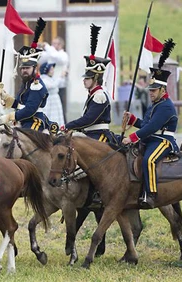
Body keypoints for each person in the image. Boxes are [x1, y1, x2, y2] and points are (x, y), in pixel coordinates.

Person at [122, 39, 178, 209]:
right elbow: (146, 124)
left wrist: (132, 137)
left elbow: (152, 128)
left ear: (162, 90)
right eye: (150, 90)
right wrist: (133, 119)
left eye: (153, 91)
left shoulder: (167, 107)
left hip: (163, 142)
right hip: (150, 139)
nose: (151, 93)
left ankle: (151, 194)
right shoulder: (155, 105)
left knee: (148, 160)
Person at [62, 24, 114, 206]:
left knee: (91, 165)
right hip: (90, 133)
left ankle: (97, 194)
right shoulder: (93, 93)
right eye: (85, 77)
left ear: (96, 78)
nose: (84, 80)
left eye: (87, 78)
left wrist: (69, 125)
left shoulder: (99, 95)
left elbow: (89, 119)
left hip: (98, 135)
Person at [0, 18, 50, 132]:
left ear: (35, 68)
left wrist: (9, 117)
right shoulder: (27, 83)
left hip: (34, 121)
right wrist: (6, 98)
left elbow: (30, 109)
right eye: (23, 68)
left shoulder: (37, 86)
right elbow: (20, 105)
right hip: (23, 120)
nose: (24, 71)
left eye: (27, 68)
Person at [39, 37, 69, 119]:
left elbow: (56, 57)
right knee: (50, 108)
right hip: (50, 84)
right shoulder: (51, 53)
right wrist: (39, 49)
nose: (53, 46)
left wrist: (47, 47)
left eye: (55, 43)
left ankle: (63, 126)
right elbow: (40, 59)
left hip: (60, 85)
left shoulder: (63, 55)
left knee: (61, 107)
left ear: (61, 45)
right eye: (52, 43)